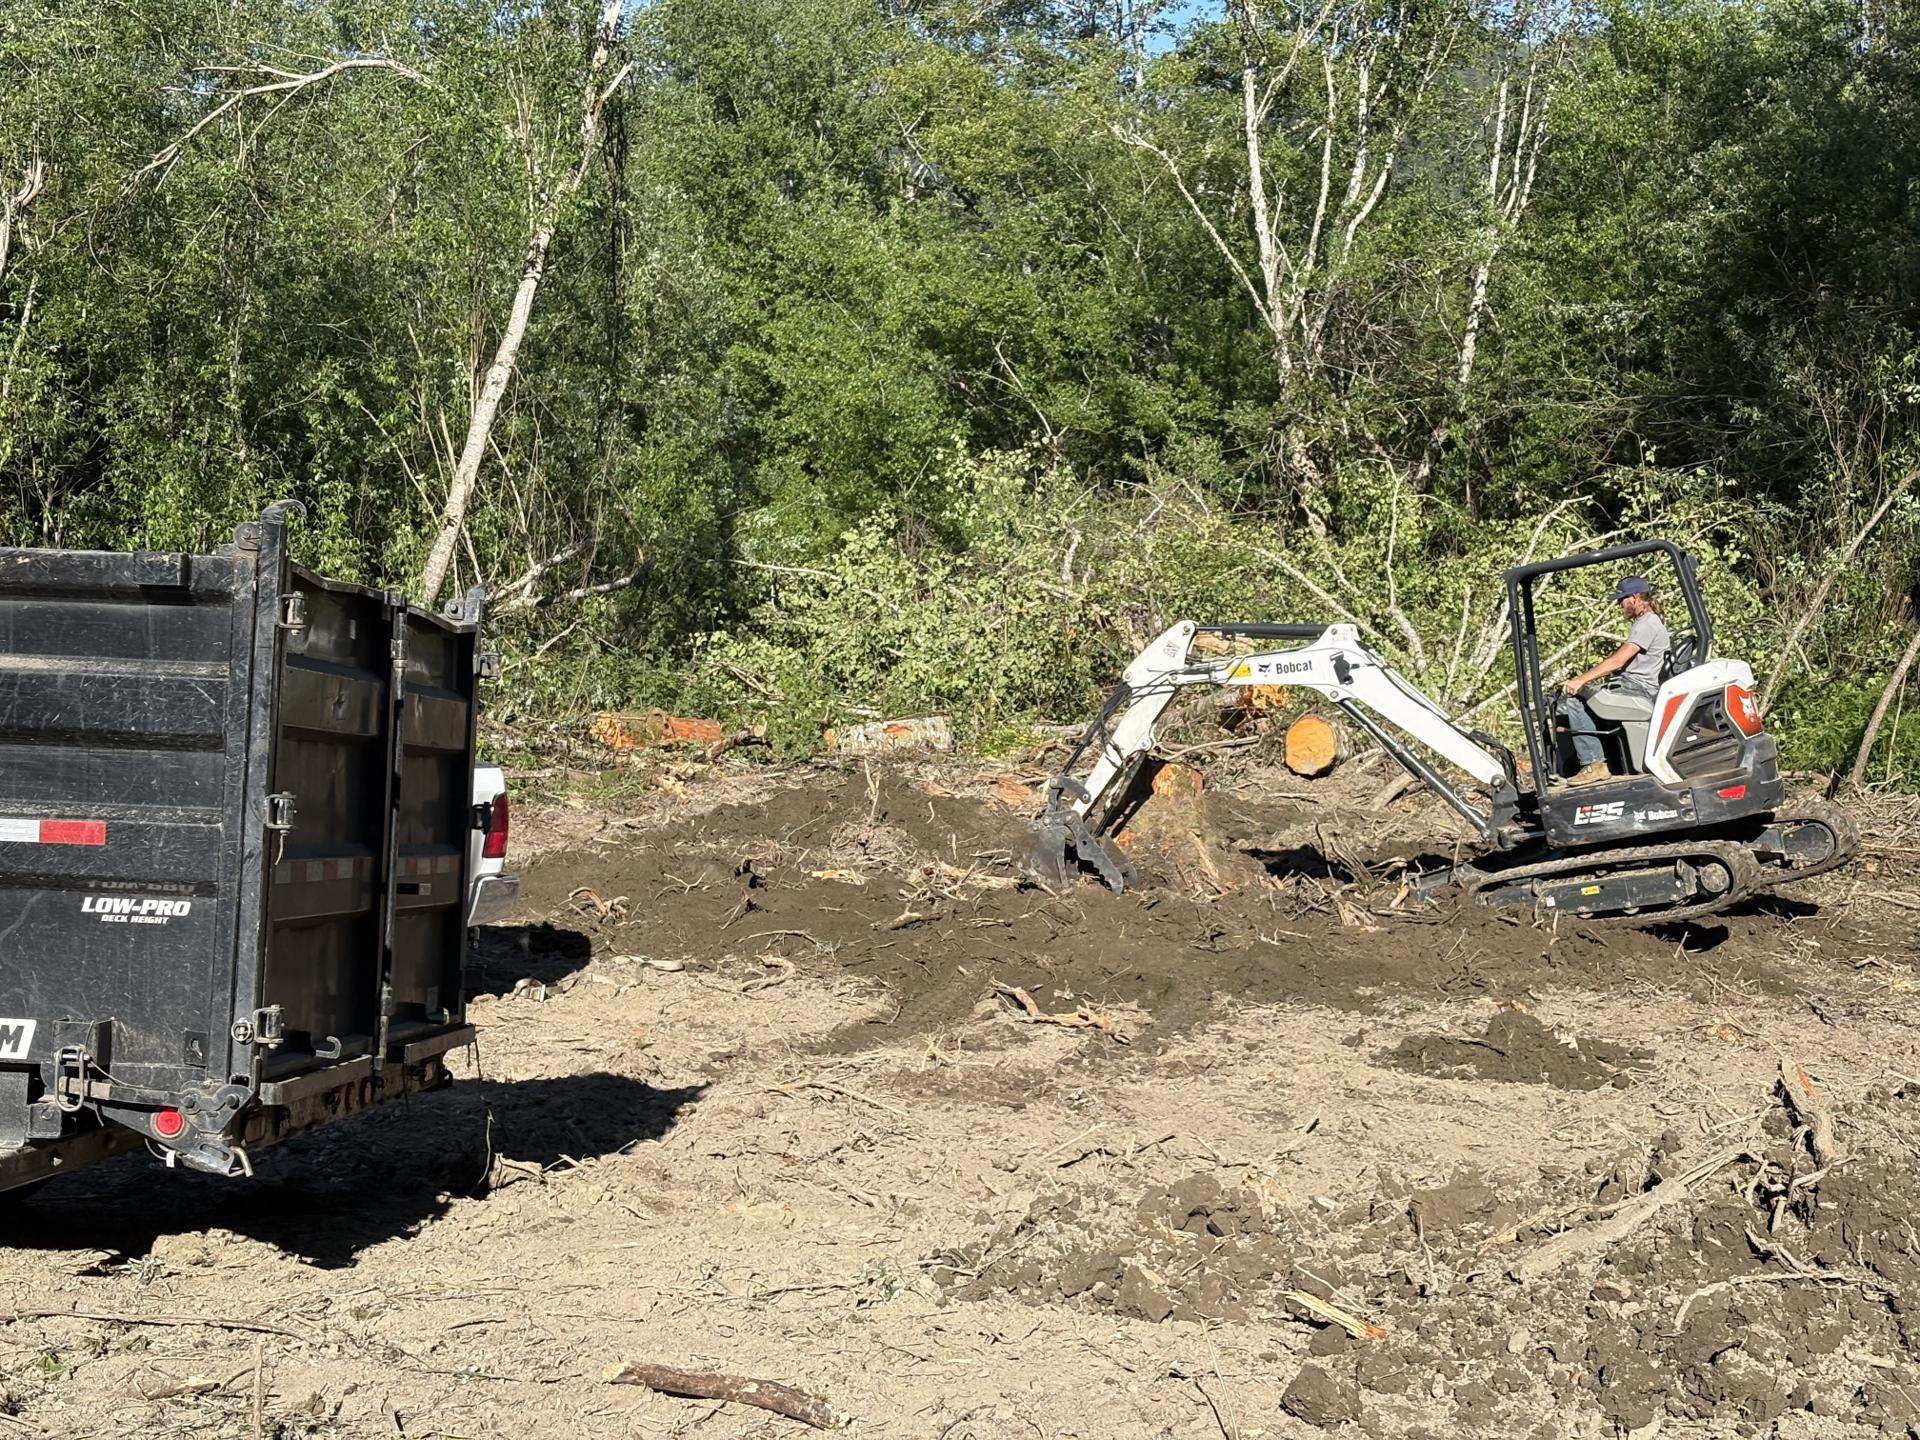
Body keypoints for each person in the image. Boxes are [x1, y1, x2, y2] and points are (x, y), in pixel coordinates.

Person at [1558, 576, 1671, 785]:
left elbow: (1617, 661)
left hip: (1637, 690)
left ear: (1636, 598)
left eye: (1622, 600)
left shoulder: (1647, 623)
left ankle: (1594, 764)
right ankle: (1606, 760)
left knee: (1575, 703)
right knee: (1585, 696)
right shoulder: (1646, 622)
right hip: (1632, 686)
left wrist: (1579, 681)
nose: (1620, 606)